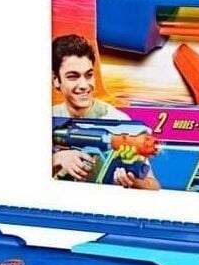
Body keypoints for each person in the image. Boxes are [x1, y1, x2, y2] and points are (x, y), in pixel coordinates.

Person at [51, 34, 159, 188]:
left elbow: (153, 186)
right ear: (56, 80)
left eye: (89, 75)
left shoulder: (120, 124)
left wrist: (134, 182)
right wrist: (56, 159)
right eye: (73, 77)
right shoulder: (52, 116)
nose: (84, 85)